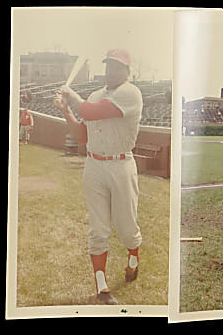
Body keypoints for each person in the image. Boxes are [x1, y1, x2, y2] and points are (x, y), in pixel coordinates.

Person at [53, 48, 143, 306]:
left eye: (117, 66)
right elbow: (83, 134)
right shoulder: (94, 95)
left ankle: (133, 258)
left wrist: (71, 95)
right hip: (94, 165)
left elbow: (92, 112)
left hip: (121, 163)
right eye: (108, 65)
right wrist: (65, 110)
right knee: (99, 228)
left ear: (127, 71)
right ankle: (102, 286)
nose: (111, 71)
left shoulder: (130, 92)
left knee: (127, 229)